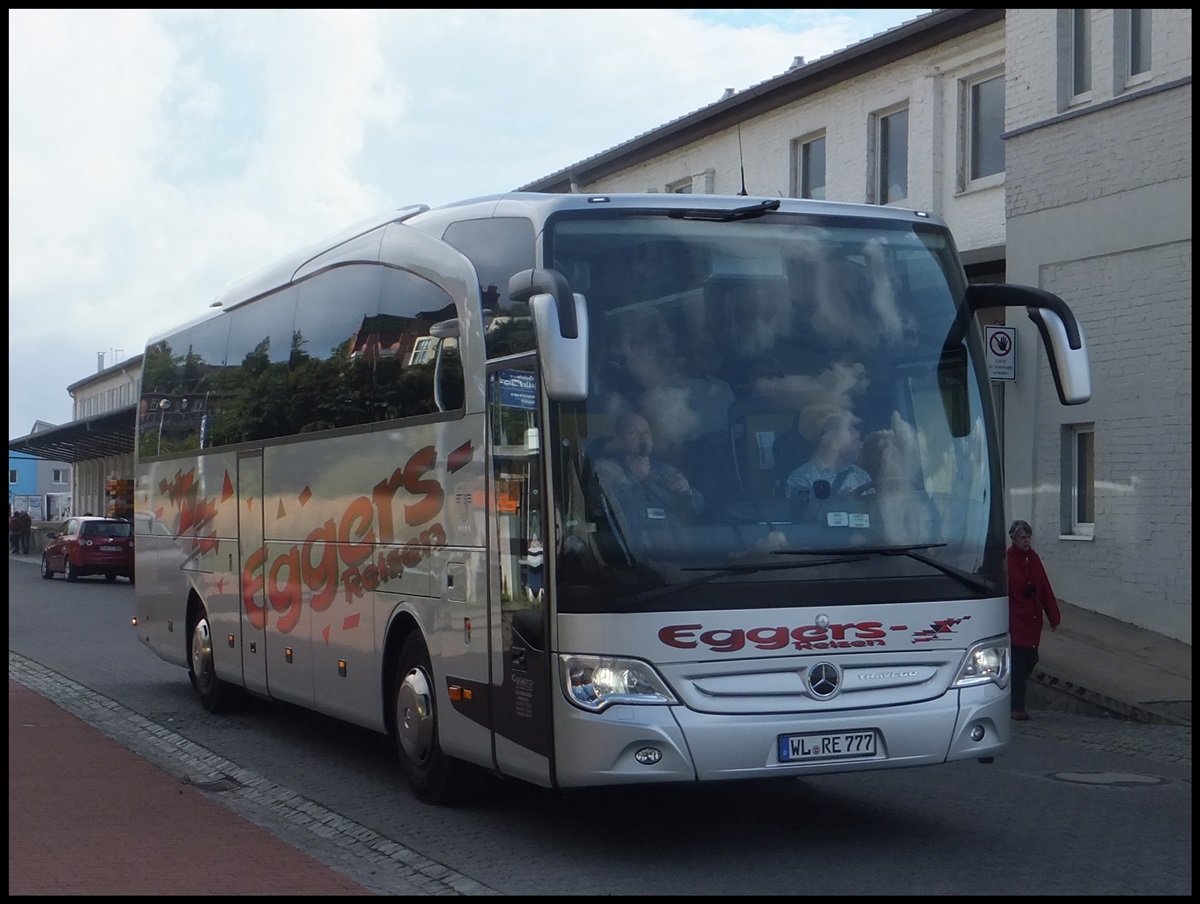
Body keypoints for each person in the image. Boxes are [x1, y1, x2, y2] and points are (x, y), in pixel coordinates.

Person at [588, 412, 705, 541]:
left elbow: (698, 509)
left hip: (677, 552)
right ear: (618, 439)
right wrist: (632, 478)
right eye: (634, 433)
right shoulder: (605, 469)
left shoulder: (665, 470)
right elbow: (597, 510)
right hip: (629, 553)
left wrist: (687, 493)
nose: (643, 438)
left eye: (646, 432)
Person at [1007, 519, 1062, 721]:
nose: (1027, 541)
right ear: (1014, 538)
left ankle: (1013, 701)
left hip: (1032, 621)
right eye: (1023, 537)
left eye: (1029, 537)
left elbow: (1044, 587)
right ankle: (1016, 707)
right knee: (1018, 665)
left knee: (1031, 659)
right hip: (1016, 621)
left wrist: (1053, 616)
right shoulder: (1007, 560)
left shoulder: (1033, 558)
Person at [784, 410, 873, 500]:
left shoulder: (861, 477)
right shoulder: (801, 478)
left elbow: (872, 509)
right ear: (835, 442)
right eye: (855, 441)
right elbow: (800, 512)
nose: (861, 446)